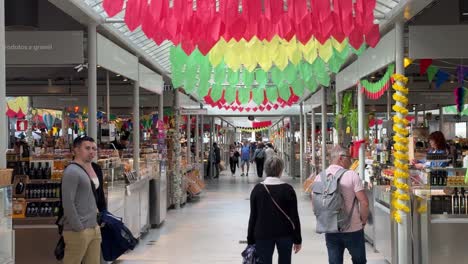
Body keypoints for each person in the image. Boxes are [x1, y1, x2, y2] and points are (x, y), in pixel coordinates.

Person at [313, 145, 369, 264]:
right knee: (359, 261)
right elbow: (364, 202)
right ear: (340, 158)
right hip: (353, 228)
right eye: (349, 157)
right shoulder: (351, 175)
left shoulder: (319, 177)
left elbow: (315, 204)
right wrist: (363, 221)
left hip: (331, 228)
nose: (351, 160)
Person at [247, 156, 302, 264]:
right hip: (285, 233)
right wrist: (297, 239)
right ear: (281, 170)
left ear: (265, 170)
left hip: (262, 234)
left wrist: (250, 240)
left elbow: (253, 216)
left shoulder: (257, 190)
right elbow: (294, 216)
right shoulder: (288, 189)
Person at [61, 136, 107, 264]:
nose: (91, 151)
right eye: (87, 148)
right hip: (79, 230)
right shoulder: (72, 171)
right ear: (76, 150)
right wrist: (79, 228)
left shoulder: (93, 169)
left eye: (94, 149)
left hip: (93, 227)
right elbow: (68, 202)